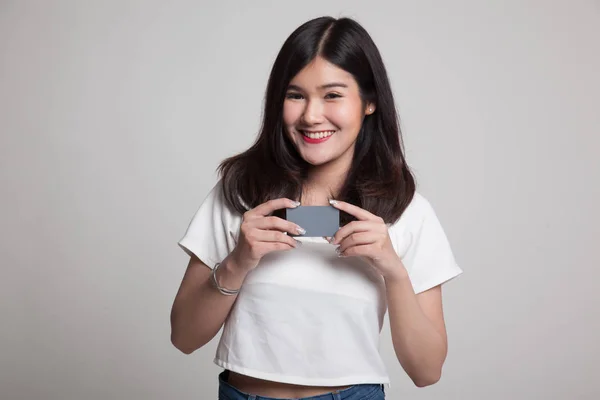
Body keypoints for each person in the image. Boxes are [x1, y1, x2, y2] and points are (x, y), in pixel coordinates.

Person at [170, 16, 463, 400]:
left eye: (333, 95)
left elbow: (426, 371)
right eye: (295, 95)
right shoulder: (241, 193)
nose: (311, 115)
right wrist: (238, 261)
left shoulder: (406, 210)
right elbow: (184, 337)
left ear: (370, 102)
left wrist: (393, 270)